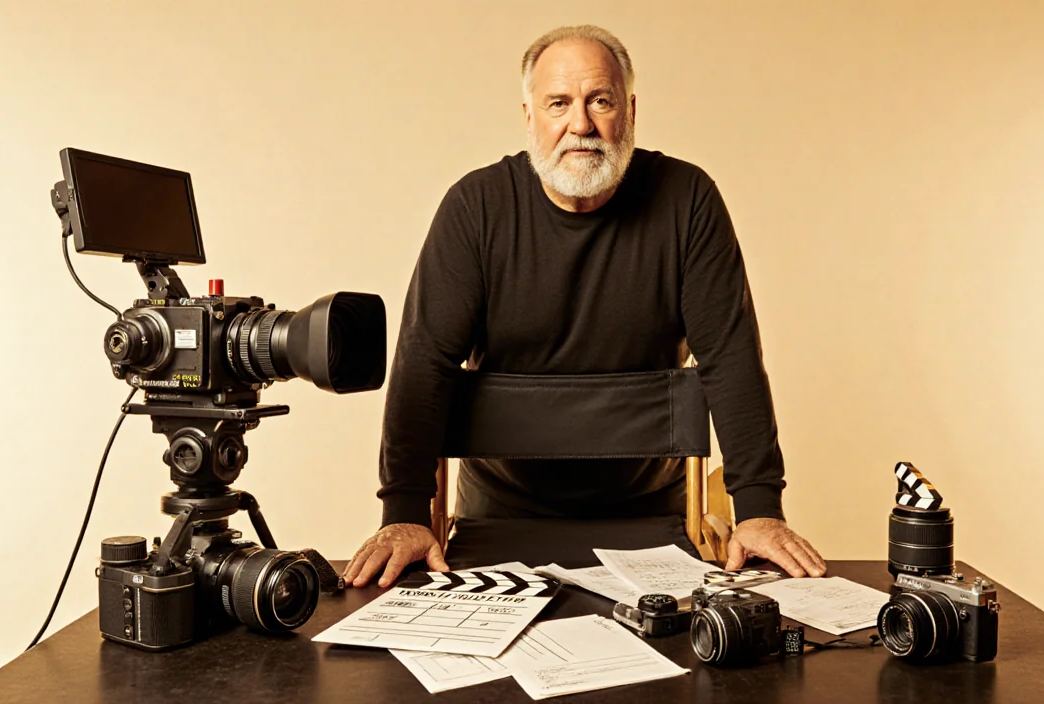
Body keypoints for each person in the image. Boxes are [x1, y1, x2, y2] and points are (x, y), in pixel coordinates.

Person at [344, 25, 826, 588]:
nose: (581, 125)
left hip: (650, 513)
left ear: (630, 111)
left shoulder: (688, 199)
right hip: (499, 512)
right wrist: (402, 513)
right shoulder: (474, 208)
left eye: (601, 101)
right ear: (529, 116)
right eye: (559, 104)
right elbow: (424, 364)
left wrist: (760, 508)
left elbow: (731, 357)